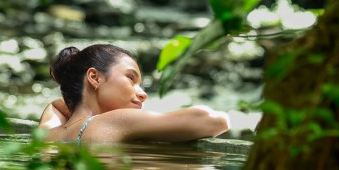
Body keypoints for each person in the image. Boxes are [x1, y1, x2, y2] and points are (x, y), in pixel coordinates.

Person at [38, 44, 230, 144]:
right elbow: (215, 121)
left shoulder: (48, 132)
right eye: (131, 78)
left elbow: (55, 105)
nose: (143, 94)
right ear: (95, 77)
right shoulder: (116, 121)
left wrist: (81, 106)